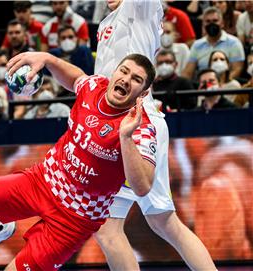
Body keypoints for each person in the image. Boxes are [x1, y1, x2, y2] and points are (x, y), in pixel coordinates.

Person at [0, 51, 158, 270]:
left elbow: (142, 187)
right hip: (41, 182)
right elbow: (76, 78)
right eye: (124, 71)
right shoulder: (94, 87)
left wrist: (125, 137)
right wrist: (47, 59)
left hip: (75, 219)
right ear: (114, 73)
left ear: (143, 92)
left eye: (136, 79)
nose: (126, 79)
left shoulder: (141, 129)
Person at [93, 0, 217, 270]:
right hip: (123, 123)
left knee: (107, 227)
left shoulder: (140, 8)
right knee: (162, 221)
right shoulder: (106, 22)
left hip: (134, 124)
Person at [182, 6, 245, 81]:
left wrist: (221, 84)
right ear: (203, 24)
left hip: (227, 84)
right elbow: (188, 72)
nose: (211, 24)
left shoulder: (234, 42)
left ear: (222, 23)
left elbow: (237, 69)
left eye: (215, 21)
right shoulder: (197, 45)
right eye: (208, 21)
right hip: (203, 85)